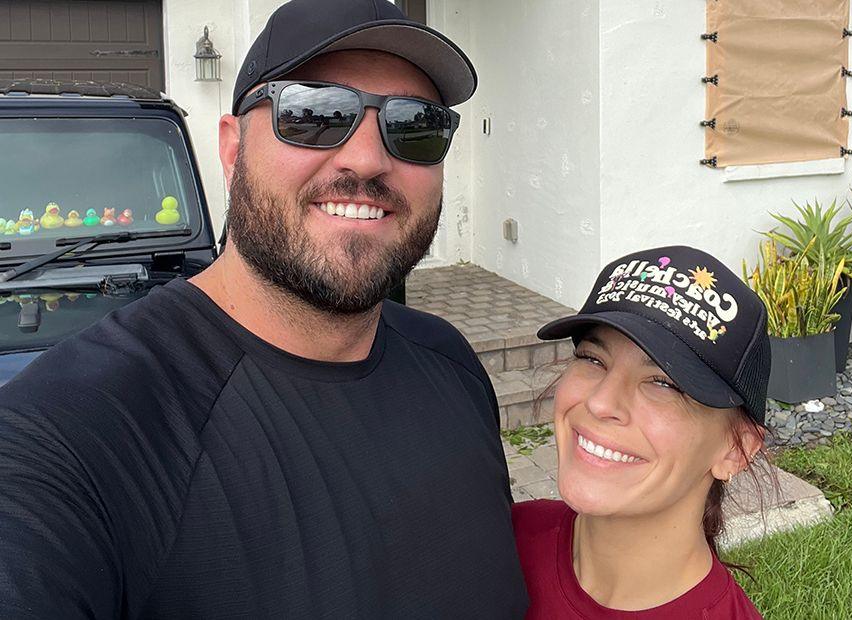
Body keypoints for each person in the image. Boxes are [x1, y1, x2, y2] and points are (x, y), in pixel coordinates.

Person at [0, 0, 529, 617]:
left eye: (415, 125)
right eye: (313, 114)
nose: (367, 160)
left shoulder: (453, 366)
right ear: (231, 150)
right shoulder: (71, 435)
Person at [513, 246, 771, 619]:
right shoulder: (501, 543)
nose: (601, 403)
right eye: (592, 359)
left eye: (664, 383)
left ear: (736, 448)